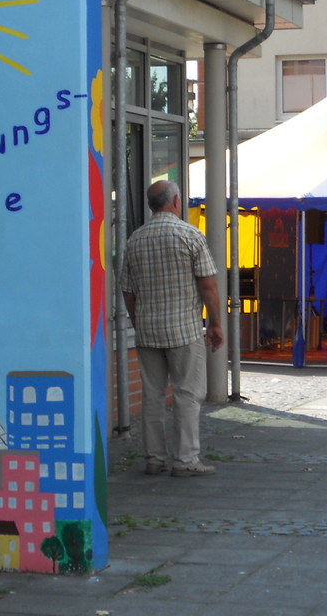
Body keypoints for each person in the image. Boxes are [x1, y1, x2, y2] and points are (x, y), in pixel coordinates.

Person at [120, 180, 224, 478]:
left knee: (152, 396)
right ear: (176, 202)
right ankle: (185, 459)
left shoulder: (135, 240)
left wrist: (138, 321)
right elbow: (208, 285)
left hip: (148, 330)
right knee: (187, 393)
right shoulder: (190, 235)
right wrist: (215, 324)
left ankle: (154, 458)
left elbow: (128, 291)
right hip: (184, 329)